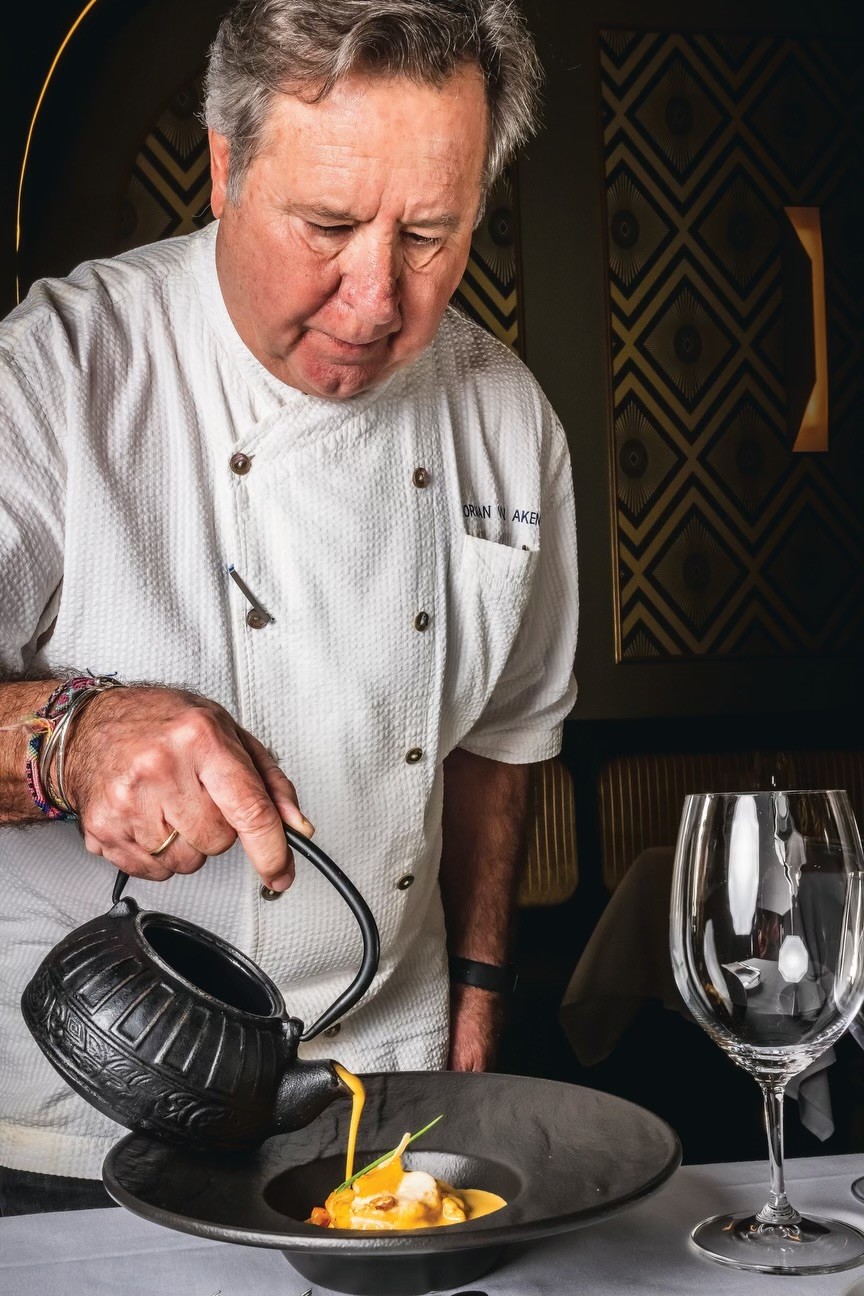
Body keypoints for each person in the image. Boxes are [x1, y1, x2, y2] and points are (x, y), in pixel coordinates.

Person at [0, 0, 578, 1212]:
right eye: (326, 225)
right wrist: (72, 737)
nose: (375, 301)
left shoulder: (510, 421)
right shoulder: (54, 378)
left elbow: (498, 746)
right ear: (225, 164)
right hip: (77, 1118)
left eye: (430, 233)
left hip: (391, 1102)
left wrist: (475, 1014)